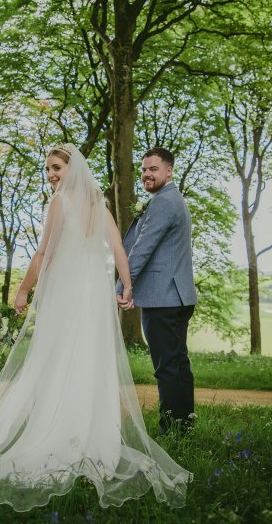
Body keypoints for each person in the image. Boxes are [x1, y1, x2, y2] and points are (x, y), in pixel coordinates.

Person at [0, 143, 192, 512]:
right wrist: (126, 286)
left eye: (57, 168)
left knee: (62, 357)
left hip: (68, 292)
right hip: (92, 294)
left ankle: (61, 432)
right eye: (48, 170)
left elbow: (45, 252)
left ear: (71, 169)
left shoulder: (61, 203)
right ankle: (94, 438)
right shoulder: (98, 204)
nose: (52, 176)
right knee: (88, 358)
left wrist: (24, 289)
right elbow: (119, 252)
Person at [116, 147, 197, 434]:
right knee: (176, 363)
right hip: (174, 295)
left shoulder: (164, 201)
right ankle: (183, 423)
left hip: (165, 297)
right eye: (143, 169)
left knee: (167, 366)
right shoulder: (170, 199)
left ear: (169, 171)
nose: (146, 174)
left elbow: (142, 249)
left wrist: (123, 286)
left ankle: (173, 428)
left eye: (153, 169)